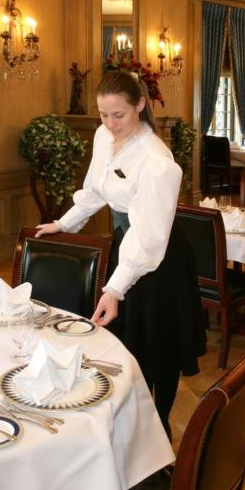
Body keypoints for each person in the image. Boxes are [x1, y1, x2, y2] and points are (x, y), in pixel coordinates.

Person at [36, 70, 206, 432]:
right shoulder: (102, 136)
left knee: (159, 347)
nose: (110, 124)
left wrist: (114, 289)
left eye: (119, 115)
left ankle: (157, 428)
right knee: (125, 344)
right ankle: (126, 421)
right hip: (124, 252)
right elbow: (96, 189)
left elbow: (147, 236)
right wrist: (65, 223)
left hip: (157, 260)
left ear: (140, 106)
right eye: (103, 114)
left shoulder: (157, 162)